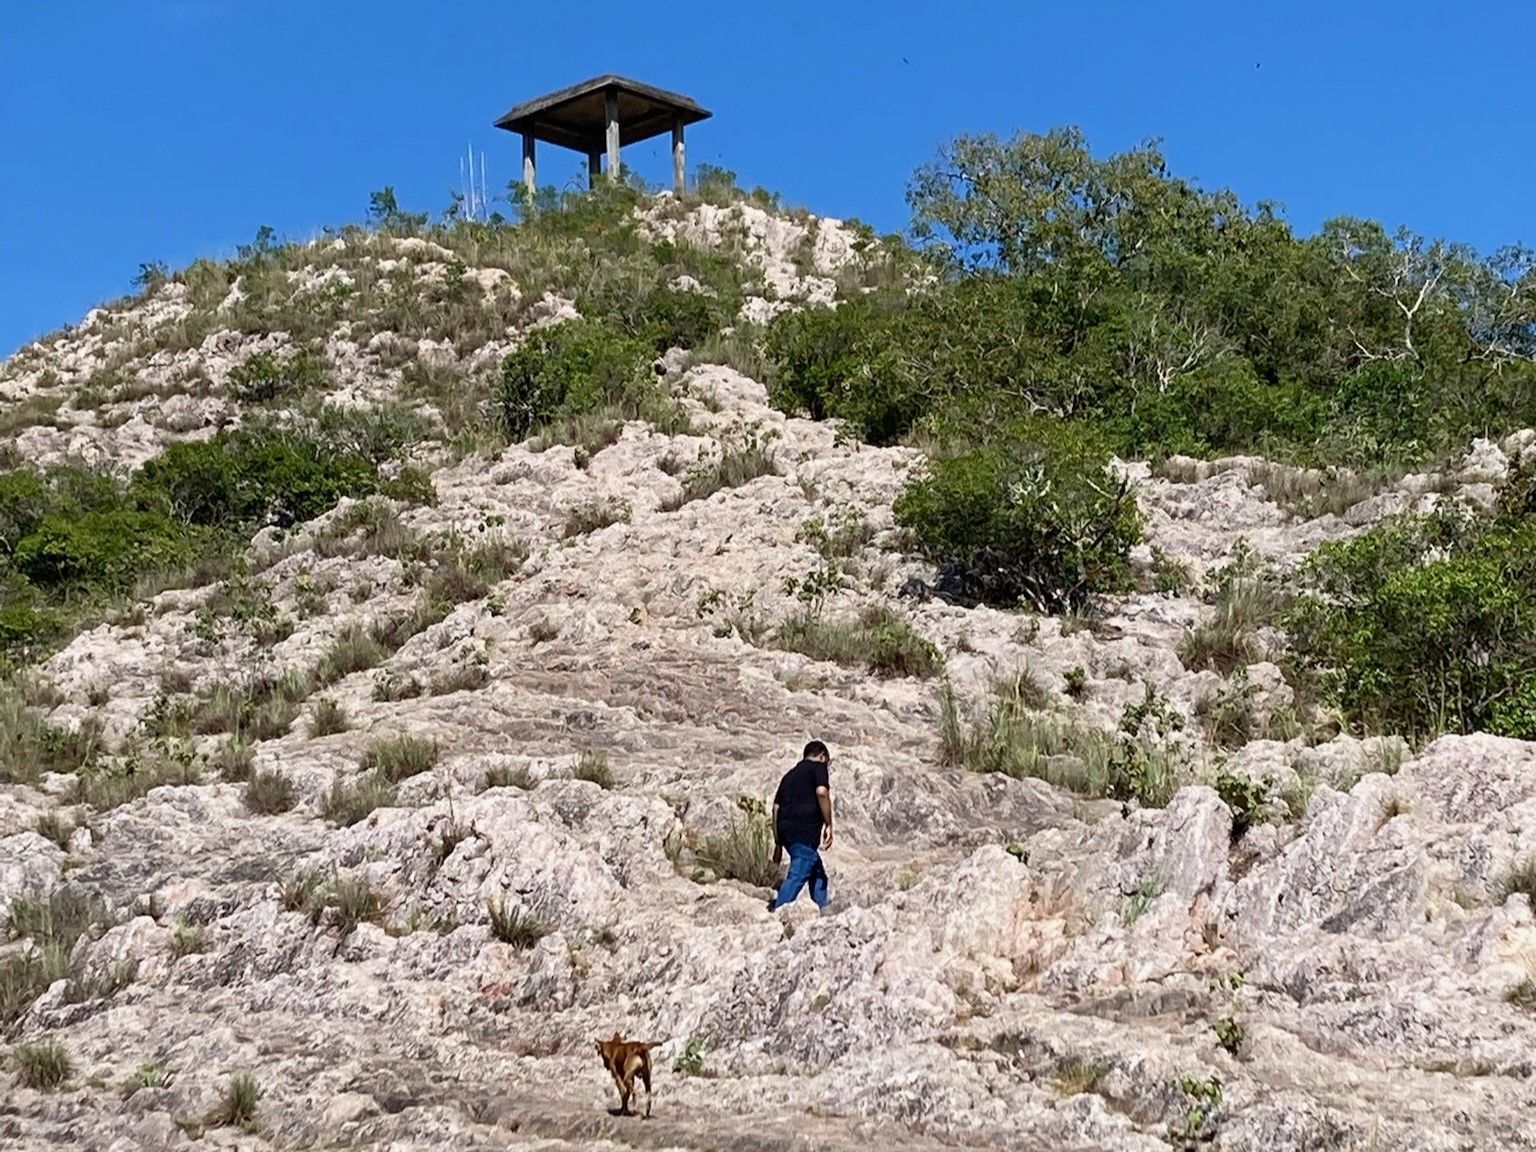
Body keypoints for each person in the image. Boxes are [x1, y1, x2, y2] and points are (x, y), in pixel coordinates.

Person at [768, 740, 834, 912]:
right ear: (822, 756)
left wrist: (778, 843)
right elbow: (822, 792)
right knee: (798, 872)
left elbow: (775, 809)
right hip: (804, 831)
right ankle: (779, 912)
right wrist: (828, 824)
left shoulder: (788, 776)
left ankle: (824, 909)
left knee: (816, 869)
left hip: (786, 832)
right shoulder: (818, 767)